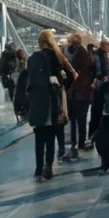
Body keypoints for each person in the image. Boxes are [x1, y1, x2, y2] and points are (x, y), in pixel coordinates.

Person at [26, 29, 73, 180]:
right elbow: (67, 76)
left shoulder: (33, 57)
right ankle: (49, 165)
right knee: (51, 136)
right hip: (53, 100)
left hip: (38, 102)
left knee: (39, 138)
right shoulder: (56, 57)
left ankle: (38, 169)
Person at [63, 33, 94, 161]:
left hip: (74, 92)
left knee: (74, 120)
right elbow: (90, 72)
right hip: (82, 92)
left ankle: (74, 144)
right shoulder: (83, 54)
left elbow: (69, 72)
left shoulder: (70, 54)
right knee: (81, 120)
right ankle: (80, 142)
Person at [89, 39, 109, 144]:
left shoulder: (103, 55)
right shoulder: (100, 55)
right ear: (104, 45)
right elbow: (99, 69)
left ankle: (94, 133)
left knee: (99, 109)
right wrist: (102, 77)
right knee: (99, 109)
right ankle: (95, 133)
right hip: (102, 84)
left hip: (103, 83)